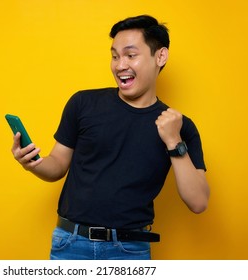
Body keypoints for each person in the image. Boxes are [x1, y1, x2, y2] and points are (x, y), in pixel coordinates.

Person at [11, 14, 210, 260]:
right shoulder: (83, 104)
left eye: (130, 55)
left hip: (130, 251)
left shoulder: (180, 127)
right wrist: (33, 163)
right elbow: (57, 165)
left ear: (160, 56)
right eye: (115, 56)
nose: (119, 65)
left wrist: (173, 142)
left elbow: (198, 202)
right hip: (71, 244)